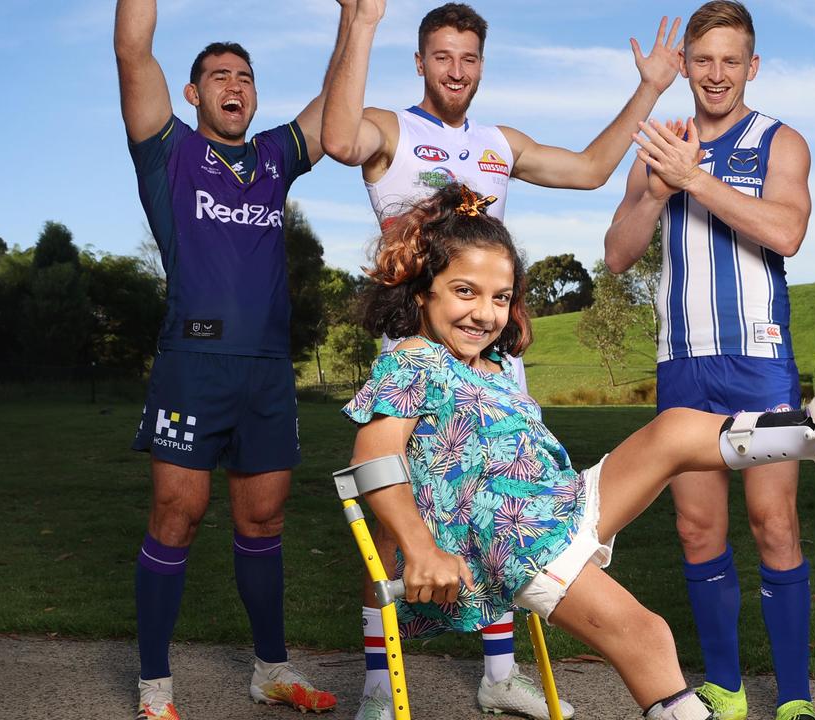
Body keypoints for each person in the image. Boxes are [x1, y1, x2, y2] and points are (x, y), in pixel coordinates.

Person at [340, 182, 815, 720]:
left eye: (501, 297)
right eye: (465, 292)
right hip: (509, 538)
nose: (485, 313)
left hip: (557, 503)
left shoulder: (496, 368)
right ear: (421, 292)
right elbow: (373, 457)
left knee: (673, 430)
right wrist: (419, 547)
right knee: (646, 635)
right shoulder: (415, 360)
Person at [320, 3, 685, 718]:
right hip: (425, 363)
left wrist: (650, 88)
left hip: (493, 365)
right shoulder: (391, 130)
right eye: (442, 56)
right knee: (397, 533)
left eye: (469, 58)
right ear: (420, 61)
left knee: (513, 515)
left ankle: (498, 675)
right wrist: (360, 23)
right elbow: (337, 139)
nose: (456, 70)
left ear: (481, 64)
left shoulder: (498, 140)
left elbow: (587, 170)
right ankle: (375, 689)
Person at [114, 1, 355, 717]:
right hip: (194, 361)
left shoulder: (275, 156)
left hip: (266, 370)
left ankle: (270, 670)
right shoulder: (169, 148)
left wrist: (354, 16)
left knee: (264, 521)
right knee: (177, 515)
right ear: (194, 93)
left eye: (245, 75)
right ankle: (155, 683)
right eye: (220, 74)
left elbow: (334, 103)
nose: (235, 84)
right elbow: (133, 49)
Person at [602, 3, 815, 719]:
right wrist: (661, 185)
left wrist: (695, 183)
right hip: (683, 363)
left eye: (731, 61)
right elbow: (618, 251)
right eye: (703, 60)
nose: (716, 74)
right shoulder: (663, 143)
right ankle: (725, 688)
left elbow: (786, 232)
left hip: (759, 359)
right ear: (686, 66)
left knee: (773, 523)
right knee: (697, 529)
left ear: (752, 67)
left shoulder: (780, 141)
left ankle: (793, 699)